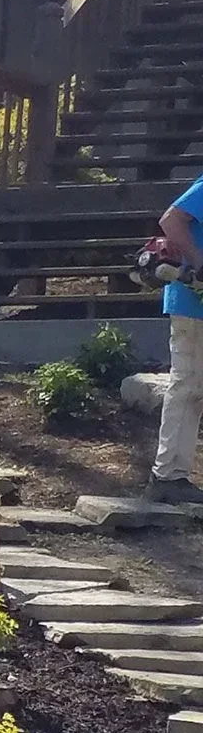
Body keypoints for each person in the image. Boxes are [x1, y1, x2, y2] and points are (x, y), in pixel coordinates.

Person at [151, 178, 203, 504]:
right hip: (192, 301)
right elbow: (170, 220)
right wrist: (200, 262)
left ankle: (172, 473)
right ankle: (167, 474)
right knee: (189, 385)